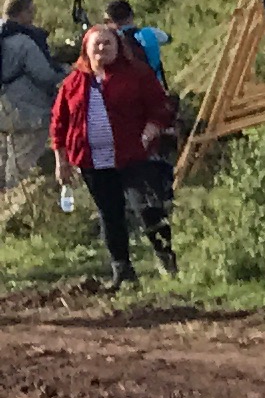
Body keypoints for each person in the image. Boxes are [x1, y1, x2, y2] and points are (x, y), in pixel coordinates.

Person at [51, 22, 178, 286]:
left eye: (108, 43)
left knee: (148, 209)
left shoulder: (137, 74)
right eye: (96, 43)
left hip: (134, 155)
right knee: (110, 214)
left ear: (118, 47)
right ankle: (123, 271)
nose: (102, 48)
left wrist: (150, 131)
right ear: (86, 49)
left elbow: (160, 107)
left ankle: (167, 262)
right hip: (92, 161)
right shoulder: (73, 82)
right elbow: (59, 123)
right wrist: (61, 161)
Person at [0, 0, 59, 190]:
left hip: (2, 109)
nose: (33, 16)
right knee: (22, 165)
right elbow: (45, 76)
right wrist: (66, 72)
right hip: (26, 111)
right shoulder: (23, 42)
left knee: (2, 161)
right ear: (22, 13)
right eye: (31, 11)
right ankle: (16, 207)